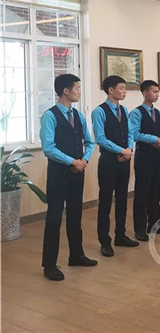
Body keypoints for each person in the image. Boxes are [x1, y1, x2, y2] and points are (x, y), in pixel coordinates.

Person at [40, 74, 97, 281]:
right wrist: (72, 161)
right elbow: (48, 148)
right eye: (77, 88)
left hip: (77, 172)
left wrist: (84, 160)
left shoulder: (79, 115)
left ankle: (76, 255)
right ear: (66, 91)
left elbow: (90, 142)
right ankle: (49, 265)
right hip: (59, 174)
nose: (79, 91)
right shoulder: (50, 116)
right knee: (54, 218)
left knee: (75, 215)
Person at [91, 75, 139, 258]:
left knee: (122, 198)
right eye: (121, 88)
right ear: (111, 90)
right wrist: (121, 150)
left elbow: (130, 133)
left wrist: (129, 150)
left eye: (125, 88)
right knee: (105, 201)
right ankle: (105, 241)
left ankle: (120, 235)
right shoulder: (99, 111)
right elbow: (100, 138)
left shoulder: (124, 110)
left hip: (124, 160)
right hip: (108, 161)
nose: (124, 91)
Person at [130, 80, 160, 241]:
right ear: (145, 93)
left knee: (155, 191)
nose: (157, 94)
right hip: (144, 156)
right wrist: (154, 138)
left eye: (158, 91)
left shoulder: (159, 113)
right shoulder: (137, 113)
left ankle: (154, 225)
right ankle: (140, 228)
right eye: (154, 91)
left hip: (157, 155)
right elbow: (135, 134)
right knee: (142, 192)